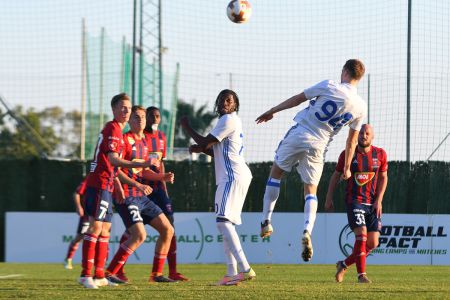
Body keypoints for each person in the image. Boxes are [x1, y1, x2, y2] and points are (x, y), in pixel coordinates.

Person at [256, 59, 367, 262]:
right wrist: (348, 167)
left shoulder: (329, 85)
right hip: (320, 145)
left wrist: (272, 110)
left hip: (301, 132)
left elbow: (298, 99)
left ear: (344, 71)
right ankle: (307, 231)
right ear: (359, 78)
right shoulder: (360, 106)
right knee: (311, 190)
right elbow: (351, 141)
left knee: (276, 173)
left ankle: (265, 221)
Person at [78, 93, 156, 289]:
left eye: (128, 108)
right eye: (122, 107)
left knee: (104, 230)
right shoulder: (113, 127)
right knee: (96, 228)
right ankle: (85, 274)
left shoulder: (119, 132)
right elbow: (113, 160)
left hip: (108, 184)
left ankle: (99, 275)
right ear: (113, 109)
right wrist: (141, 163)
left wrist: (118, 185)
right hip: (99, 183)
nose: (126, 111)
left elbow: (114, 166)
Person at [181, 89, 255, 286]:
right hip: (236, 175)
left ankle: (245, 268)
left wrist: (186, 127)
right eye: (222, 99)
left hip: (232, 176)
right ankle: (231, 273)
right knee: (225, 223)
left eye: (229, 100)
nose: (224, 102)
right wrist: (201, 149)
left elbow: (205, 141)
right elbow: (216, 152)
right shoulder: (229, 121)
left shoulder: (228, 119)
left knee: (222, 222)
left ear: (235, 105)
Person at [105, 105, 177, 283]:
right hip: (126, 195)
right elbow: (115, 169)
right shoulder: (124, 139)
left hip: (141, 196)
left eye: (143, 117)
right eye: (136, 117)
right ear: (129, 120)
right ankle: (109, 273)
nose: (141, 120)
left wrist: (162, 177)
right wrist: (135, 184)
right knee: (139, 235)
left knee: (168, 230)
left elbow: (141, 171)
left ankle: (156, 275)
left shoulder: (144, 142)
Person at [325, 124, 388, 283]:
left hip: (372, 204)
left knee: (373, 243)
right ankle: (361, 275)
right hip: (355, 202)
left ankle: (343, 264)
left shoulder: (380, 154)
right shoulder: (347, 154)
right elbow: (335, 176)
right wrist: (328, 199)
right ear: (357, 135)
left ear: (372, 136)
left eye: (367, 133)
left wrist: (379, 200)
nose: (363, 135)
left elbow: (383, 178)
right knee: (362, 236)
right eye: (361, 132)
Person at [139, 106, 189, 281]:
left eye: (157, 116)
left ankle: (172, 271)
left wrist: (164, 185)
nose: (154, 118)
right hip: (142, 188)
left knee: (170, 226)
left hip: (159, 189)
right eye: (151, 115)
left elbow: (161, 164)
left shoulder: (161, 137)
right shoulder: (140, 137)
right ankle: (116, 271)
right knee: (135, 230)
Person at [64, 175, 90, 270]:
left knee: (102, 236)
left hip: (99, 213)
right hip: (87, 214)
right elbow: (76, 193)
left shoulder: (109, 177)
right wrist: (79, 206)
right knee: (80, 237)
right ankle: (68, 258)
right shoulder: (90, 178)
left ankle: (103, 261)